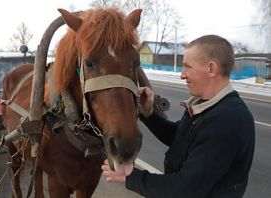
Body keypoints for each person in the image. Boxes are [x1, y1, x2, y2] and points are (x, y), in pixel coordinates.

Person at [101, 35, 255, 198]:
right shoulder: (207, 105)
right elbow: (180, 137)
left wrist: (131, 178)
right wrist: (149, 115)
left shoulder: (227, 120)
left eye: (188, 67)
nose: (182, 75)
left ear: (211, 69)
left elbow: (185, 189)